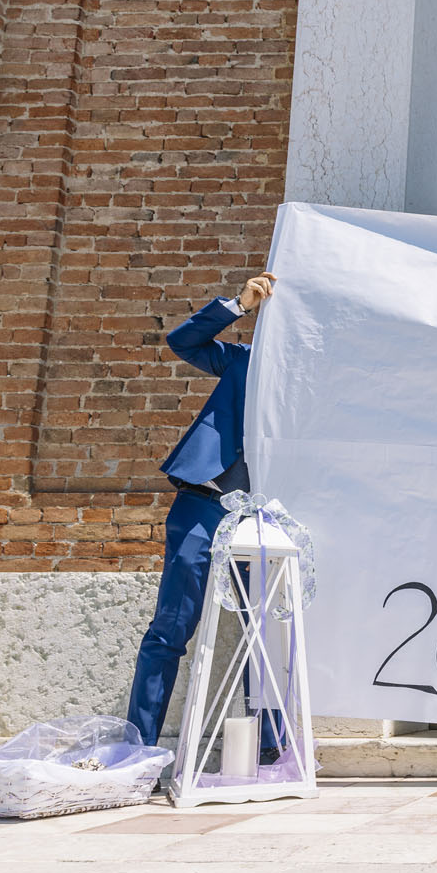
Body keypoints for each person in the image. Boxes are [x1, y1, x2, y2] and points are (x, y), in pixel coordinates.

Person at [126, 270, 276, 752]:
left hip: (263, 517)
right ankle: (139, 751)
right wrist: (240, 305)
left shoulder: (318, 388)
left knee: (265, 632)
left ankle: (271, 749)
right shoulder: (242, 360)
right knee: (169, 627)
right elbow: (183, 342)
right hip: (203, 503)